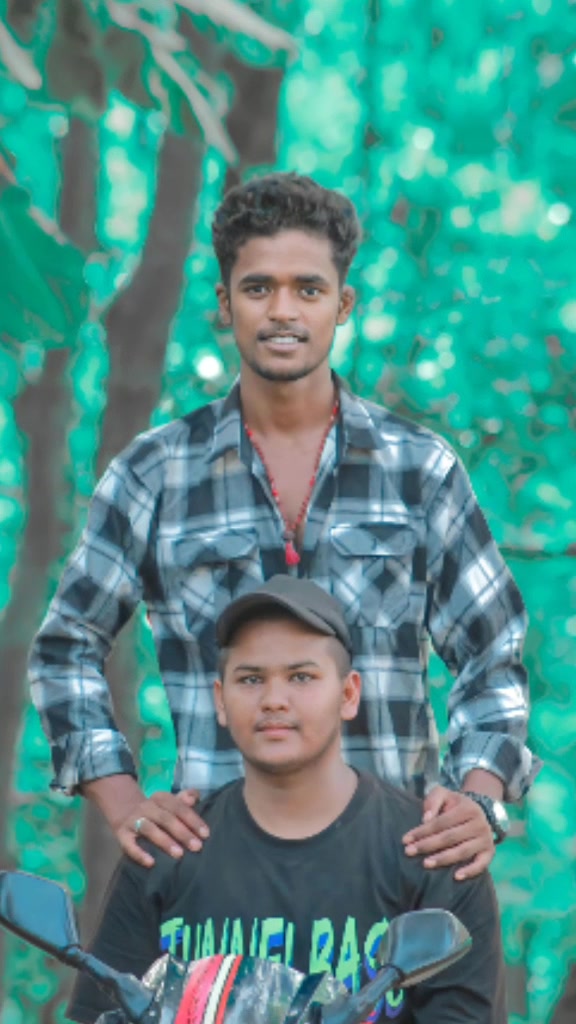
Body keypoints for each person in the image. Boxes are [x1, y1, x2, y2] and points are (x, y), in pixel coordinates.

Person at [29, 171, 536, 877]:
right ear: (224, 304)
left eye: (308, 289)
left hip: (395, 868)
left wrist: (478, 800)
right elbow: (66, 647)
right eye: (259, 288)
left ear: (343, 304)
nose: (282, 312)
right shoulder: (154, 473)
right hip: (215, 876)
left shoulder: (421, 470)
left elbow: (493, 652)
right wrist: (122, 801)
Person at [67, 576, 507, 1024]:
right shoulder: (167, 849)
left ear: (348, 694)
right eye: (251, 679)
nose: (274, 700)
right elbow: (101, 1012)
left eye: (301, 677)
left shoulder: (436, 852)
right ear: (221, 700)